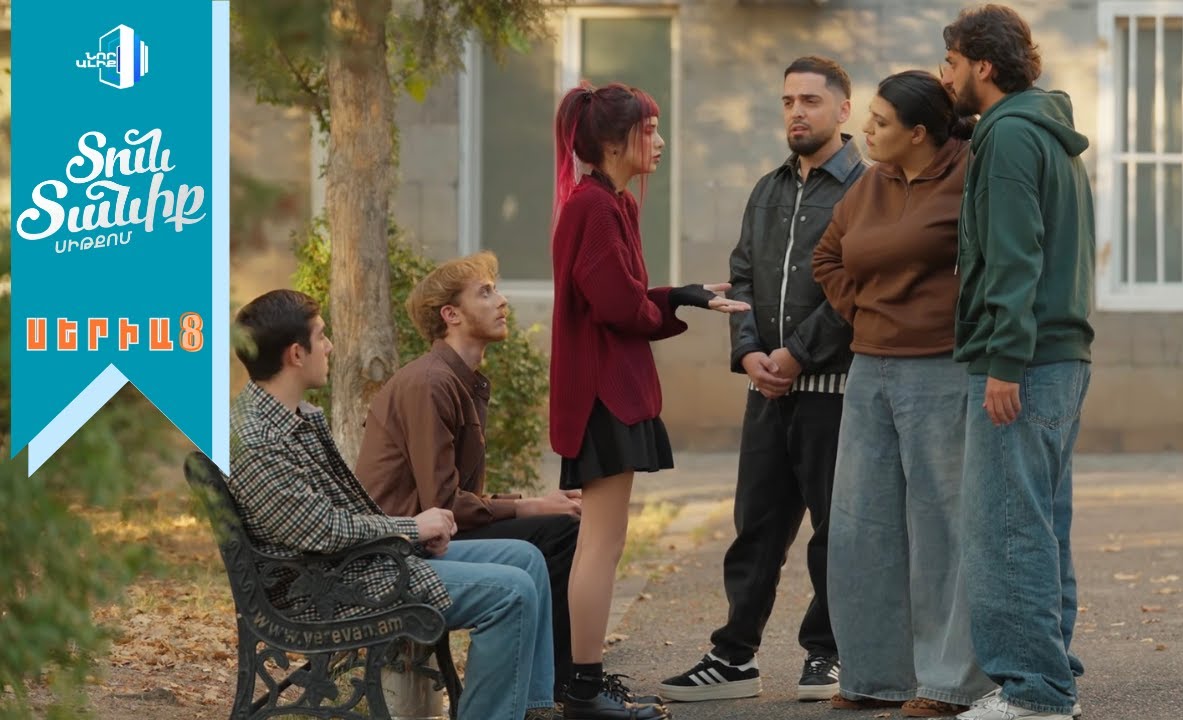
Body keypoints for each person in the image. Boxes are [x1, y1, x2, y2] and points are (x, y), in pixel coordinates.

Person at [229, 289, 559, 720]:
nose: (329, 346)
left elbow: (341, 513)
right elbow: (321, 531)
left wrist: (409, 536)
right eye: (321, 336)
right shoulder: (258, 439)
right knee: (510, 592)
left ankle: (529, 710)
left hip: (354, 564)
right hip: (326, 588)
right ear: (296, 354)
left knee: (526, 559)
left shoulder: (296, 416)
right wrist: (412, 528)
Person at [658, 56, 865, 705]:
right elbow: (742, 275)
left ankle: (829, 653)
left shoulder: (866, 188)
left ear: (843, 110)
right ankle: (733, 657)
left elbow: (856, 286)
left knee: (835, 532)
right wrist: (749, 352)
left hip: (833, 395)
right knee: (755, 530)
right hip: (766, 392)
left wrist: (798, 355)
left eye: (810, 100)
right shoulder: (766, 189)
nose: (796, 112)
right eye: (787, 101)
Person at [550, 80, 750, 720]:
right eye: (649, 130)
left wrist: (679, 296)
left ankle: (585, 683)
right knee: (601, 544)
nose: (660, 142)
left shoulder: (610, 203)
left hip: (612, 389)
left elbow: (623, 297)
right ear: (614, 143)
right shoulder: (595, 207)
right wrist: (673, 300)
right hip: (603, 393)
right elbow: (617, 306)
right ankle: (584, 690)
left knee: (605, 542)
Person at [812, 69, 992, 717]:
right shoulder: (870, 185)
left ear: (918, 133)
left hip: (943, 369)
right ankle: (873, 675)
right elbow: (826, 258)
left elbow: (992, 263)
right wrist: (866, 313)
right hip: (869, 369)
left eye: (881, 122)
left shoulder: (970, 175)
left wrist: (944, 317)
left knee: (943, 525)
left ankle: (948, 682)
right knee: (861, 524)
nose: (867, 129)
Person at [939, 5, 1096, 720]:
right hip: (1059, 356)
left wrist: (1003, 358)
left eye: (950, 63)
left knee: (1006, 526)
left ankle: (1035, 691)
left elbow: (1014, 255)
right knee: (1039, 523)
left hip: (1023, 360)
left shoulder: (1006, 136)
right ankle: (1050, 675)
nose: (944, 77)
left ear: (983, 64)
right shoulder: (1043, 129)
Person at [356, 251, 583, 699]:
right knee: (558, 533)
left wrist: (533, 505)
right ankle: (565, 688)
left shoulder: (459, 380)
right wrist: (530, 506)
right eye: (486, 292)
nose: (502, 301)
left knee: (559, 524)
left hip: (435, 531)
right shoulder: (431, 382)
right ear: (451, 315)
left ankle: (554, 691)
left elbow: (455, 497)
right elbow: (443, 502)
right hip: (402, 546)